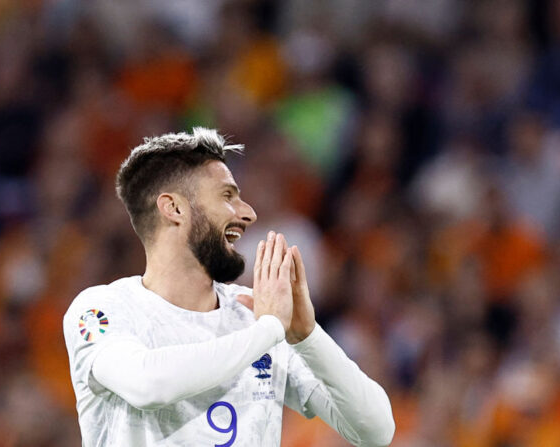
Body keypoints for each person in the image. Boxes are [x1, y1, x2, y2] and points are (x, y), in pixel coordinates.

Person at [62, 128, 395, 446]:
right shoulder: (102, 309)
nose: (248, 213)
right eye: (227, 196)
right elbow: (148, 386)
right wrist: (268, 331)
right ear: (174, 208)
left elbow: (376, 429)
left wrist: (307, 337)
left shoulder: (255, 314)